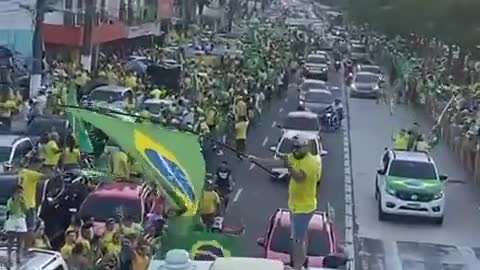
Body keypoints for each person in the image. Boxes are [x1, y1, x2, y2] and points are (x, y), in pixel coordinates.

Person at [285, 135, 320, 270]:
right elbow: (276, 162)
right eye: (294, 147)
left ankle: (297, 267)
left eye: (298, 147)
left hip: (303, 209)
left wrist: (288, 167)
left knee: (297, 241)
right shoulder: (295, 157)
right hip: (296, 206)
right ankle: (301, 263)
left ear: (306, 147)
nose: (295, 150)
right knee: (301, 237)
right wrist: (255, 159)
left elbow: (299, 178)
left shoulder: (310, 163)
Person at [4, 185, 27, 265]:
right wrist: (16, 202)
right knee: (11, 240)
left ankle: (19, 257)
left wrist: (22, 203)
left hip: (20, 220)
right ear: (14, 193)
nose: (20, 194)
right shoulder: (10, 201)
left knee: (20, 240)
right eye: (18, 192)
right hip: (12, 220)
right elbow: (10, 210)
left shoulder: (22, 200)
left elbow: (25, 209)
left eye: (21, 193)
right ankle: (9, 257)